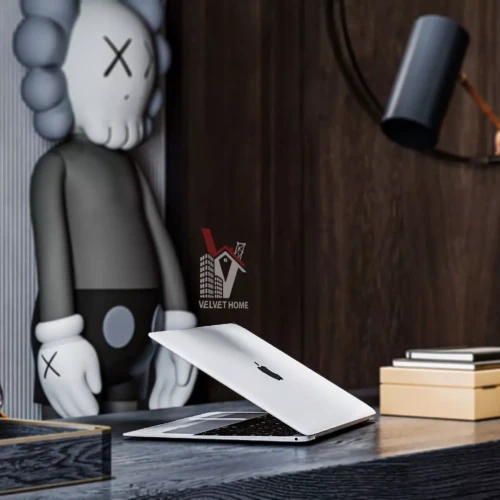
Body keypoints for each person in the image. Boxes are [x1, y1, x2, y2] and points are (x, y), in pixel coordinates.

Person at [13, 0, 197, 418]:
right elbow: (53, 255)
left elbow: (160, 240)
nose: (133, 83)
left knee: (130, 433)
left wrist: (180, 326)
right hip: (82, 328)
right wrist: (59, 336)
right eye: (116, 62)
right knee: (67, 440)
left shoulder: (130, 169)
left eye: (144, 68)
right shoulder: (56, 167)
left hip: (145, 332)